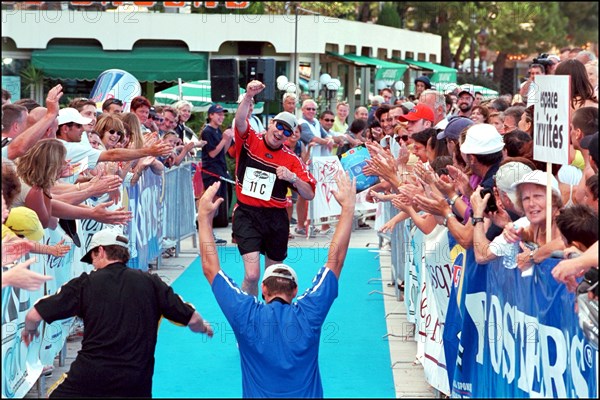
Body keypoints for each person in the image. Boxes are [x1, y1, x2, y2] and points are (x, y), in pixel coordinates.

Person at [197, 169, 356, 398]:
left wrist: (204, 219)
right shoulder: (309, 314)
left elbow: (210, 268)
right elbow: (336, 261)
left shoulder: (246, 314)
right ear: (295, 291)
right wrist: (349, 209)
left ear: (263, 289)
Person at [21, 228, 214, 398]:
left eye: (92, 257)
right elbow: (193, 318)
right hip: (135, 382)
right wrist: (203, 328)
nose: (92, 264)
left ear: (101, 251)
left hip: (90, 378)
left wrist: (30, 330)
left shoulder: (84, 284)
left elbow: (33, 315)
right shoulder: (152, 283)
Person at [232, 80, 316, 296]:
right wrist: (249, 96)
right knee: (252, 275)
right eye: (279, 126)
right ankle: (247, 314)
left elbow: (310, 193)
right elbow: (240, 119)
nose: (280, 133)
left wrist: (293, 179)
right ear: (271, 124)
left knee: (272, 279)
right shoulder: (250, 141)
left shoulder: (292, 160)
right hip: (247, 214)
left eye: (287, 132)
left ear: (291, 137)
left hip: (275, 218)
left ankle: (268, 318)